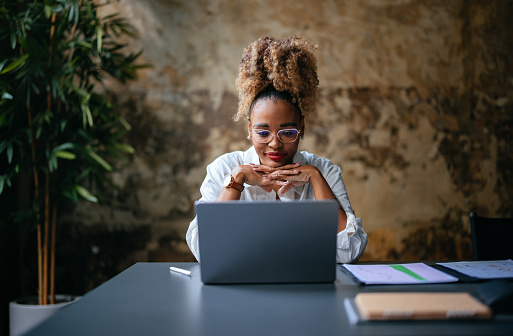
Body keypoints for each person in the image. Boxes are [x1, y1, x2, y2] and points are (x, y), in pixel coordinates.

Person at [186, 36, 367, 264]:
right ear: (249, 129)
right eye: (263, 133)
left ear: (301, 126)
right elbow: (204, 250)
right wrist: (236, 180)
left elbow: (350, 251)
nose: (274, 144)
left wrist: (316, 179)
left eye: (287, 132)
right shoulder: (224, 168)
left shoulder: (325, 171)